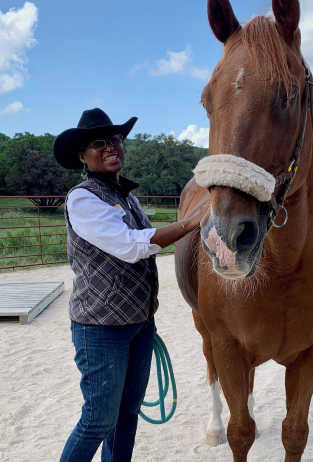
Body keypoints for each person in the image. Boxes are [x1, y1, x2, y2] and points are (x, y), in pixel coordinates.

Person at [53, 108, 207, 462]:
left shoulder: (126, 196)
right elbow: (132, 245)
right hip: (101, 328)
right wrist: (190, 223)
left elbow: (142, 238)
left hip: (138, 324)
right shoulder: (82, 198)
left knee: (126, 415)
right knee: (97, 420)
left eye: (117, 140)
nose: (112, 148)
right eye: (100, 143)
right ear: (83, 155)